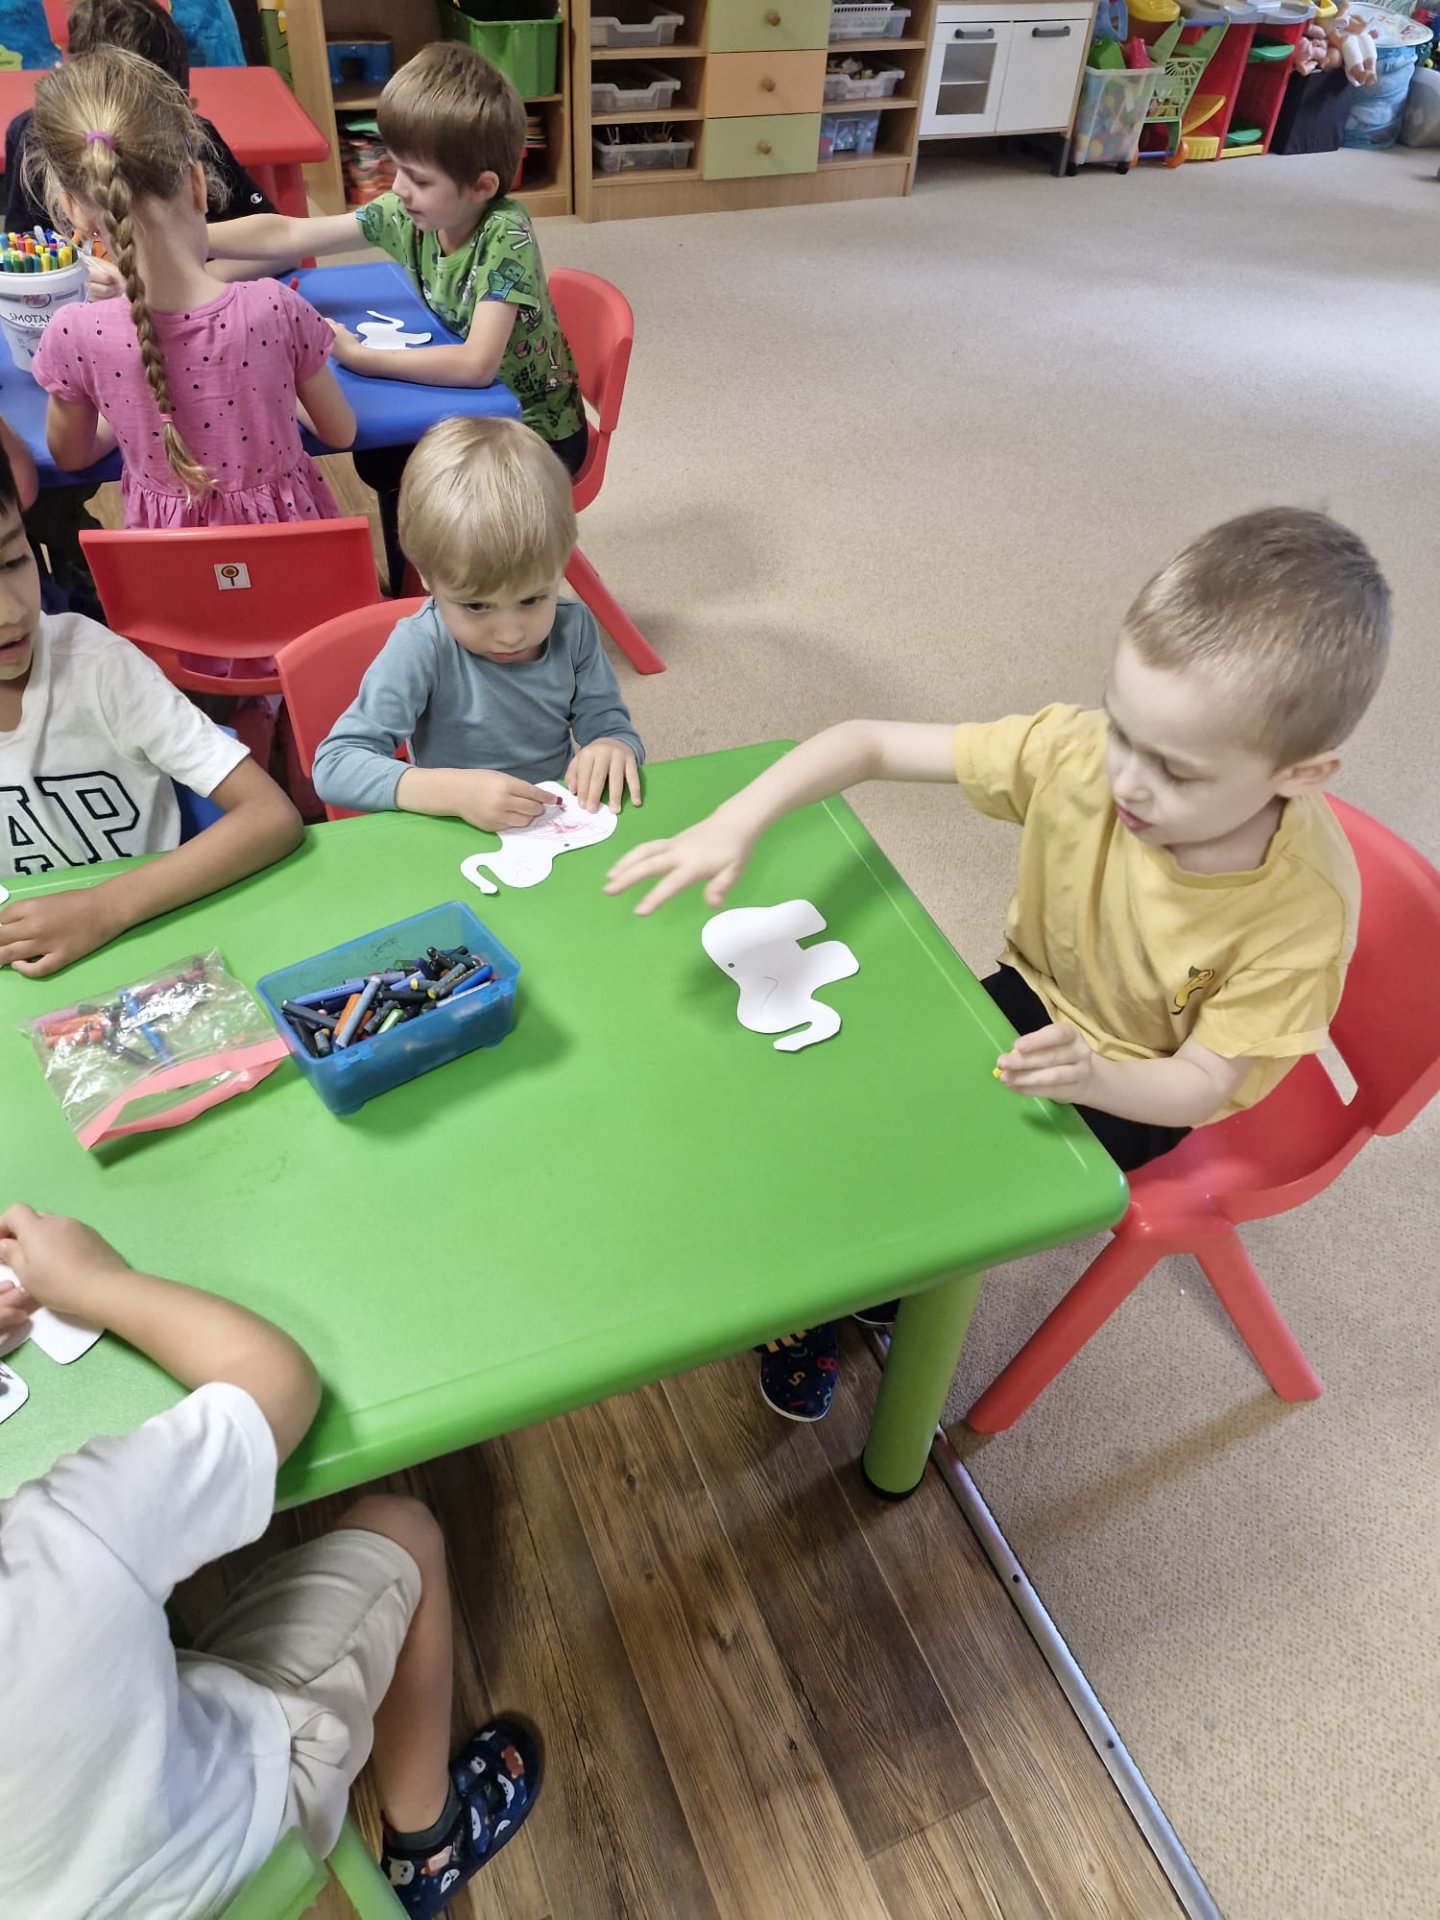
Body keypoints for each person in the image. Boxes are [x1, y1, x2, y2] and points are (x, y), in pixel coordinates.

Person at [605, 508, 1392, 1420]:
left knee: (940, 1188)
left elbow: (1202, 1084)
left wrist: (1095, 1076)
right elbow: (868, 742)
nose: (1127, 781)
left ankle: (860, 1295)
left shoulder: (1299, 913)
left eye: (1176, 771)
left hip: (1137, 1076)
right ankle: (874, 1269)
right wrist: (735, 819)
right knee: (851, 1098)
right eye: (1121, 727)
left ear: (1299, 774)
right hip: (1033, 994)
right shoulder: (1081, 754)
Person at [0, 1202, 543, 1919]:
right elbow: (276, 1384)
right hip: (241, 1851)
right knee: (403, 1529)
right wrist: (93, 1282)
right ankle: (430, 1845)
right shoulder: (56, 1548)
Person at [204, 41, 584, 590]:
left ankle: (431, 592)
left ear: (482, 187)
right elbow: (289, 233)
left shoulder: (506, 233)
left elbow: (476, 365)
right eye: (396, 167)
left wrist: (361, 357)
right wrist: (193, 241)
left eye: (420, 179)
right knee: (383, 459)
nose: (399, 189)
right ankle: (413, 587)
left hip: (533, 434)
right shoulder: (412, 212)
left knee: (390, 457)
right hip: (469, 412)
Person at [0, 445, 302, 975]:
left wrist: (103, 908)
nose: (10, 612)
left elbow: (272, 817)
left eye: (12, 561)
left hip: (157, 950)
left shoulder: (99, 667)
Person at [26, 47, 354, 530]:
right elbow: (340, 432)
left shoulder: (74, 334)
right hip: (294, 562)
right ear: (198, 183)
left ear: (75, 210)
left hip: (169, 575)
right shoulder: (275, 308)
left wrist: (133, 415)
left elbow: (71, 456)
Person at [313, 416, 643, 826]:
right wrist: (452, 794)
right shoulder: (422, 645)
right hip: (454, 828)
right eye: (476, 606)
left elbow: (609, 725)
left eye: (532, 599)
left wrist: (612, 745)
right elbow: (335, 765)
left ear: (560, 565)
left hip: (550, 824)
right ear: (427, 577)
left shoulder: (573, 629)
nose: (510, 635)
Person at [5, 0, 277, 266]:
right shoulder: (37, 138)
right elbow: (22, 260)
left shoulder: (194, 137)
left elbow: (278, 247)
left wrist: (203, 278)